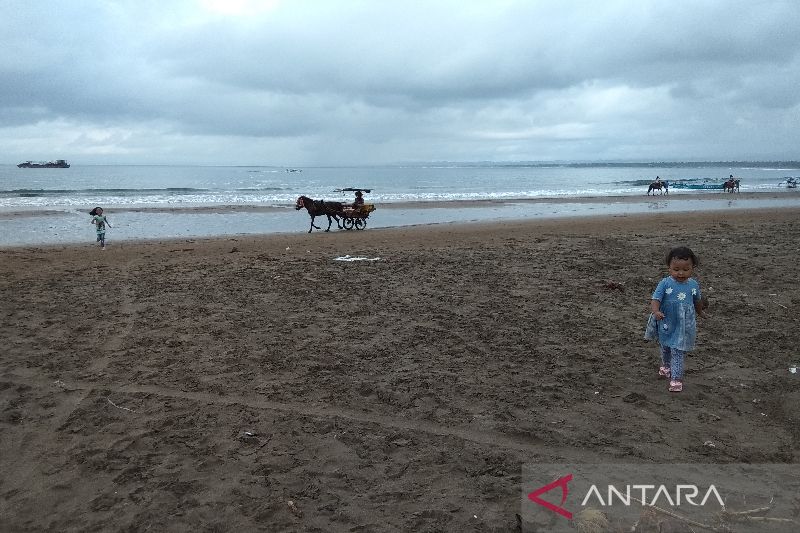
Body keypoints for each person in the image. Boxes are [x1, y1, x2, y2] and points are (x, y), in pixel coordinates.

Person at [644, 246, 707, 392]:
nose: (680, 273)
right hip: (667, 320)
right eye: (676, 269)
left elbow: (697, 301)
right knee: (665, 345)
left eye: (686, 269)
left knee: (678, 349)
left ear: (692, 268)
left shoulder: (693, 285)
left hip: (684, 323)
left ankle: (676, 379)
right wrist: (656, 311)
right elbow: (655, 299)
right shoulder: (665, 283)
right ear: (669, 268)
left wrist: (700, 312)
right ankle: (666, 366)